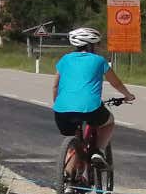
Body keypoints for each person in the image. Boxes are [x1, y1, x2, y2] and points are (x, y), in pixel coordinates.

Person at [51, 27, 135, 180]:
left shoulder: (64, 59)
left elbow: (55, 86)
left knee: (75, 144)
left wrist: (58, 104)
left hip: (61, 111)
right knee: (109, 122)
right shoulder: (99, 60)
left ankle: (68, 181)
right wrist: (127, 95)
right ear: (91, 45)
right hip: (90, 108)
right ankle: (98, 151)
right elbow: (115, 83)